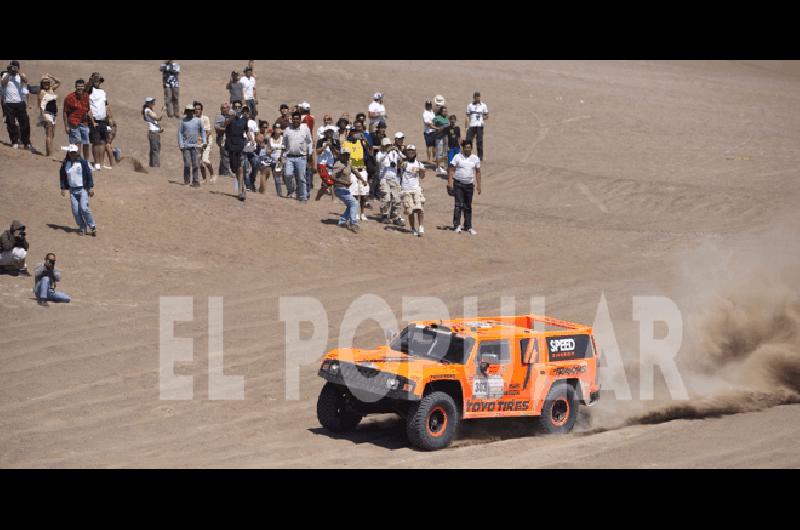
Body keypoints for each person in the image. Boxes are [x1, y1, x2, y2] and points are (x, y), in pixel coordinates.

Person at [59, 144, 97, 236]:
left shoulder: (83, 163)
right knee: (75, 210)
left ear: (77, 153)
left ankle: (92, 226)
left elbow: (88, 175)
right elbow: (62, 176)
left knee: (84, 208)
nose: (72, 155)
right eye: (70, 153)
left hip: (83, 189)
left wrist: (91, 187)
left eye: (74, 153)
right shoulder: (66, 164)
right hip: (72, 191)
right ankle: (82, 227)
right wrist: (63, 187)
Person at [447, 140, 482, 235]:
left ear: (471, 148)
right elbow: (451, 169)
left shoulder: (475, 158)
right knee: (458, 205)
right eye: (466, 147)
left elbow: (478, 172)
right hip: (458, 184)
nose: (467, 148)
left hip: (469, 185)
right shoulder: (457, 157)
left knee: (468, 206)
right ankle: (457, 226)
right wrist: (449, 182)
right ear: (463, 148)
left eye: (469, 147)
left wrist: (479, 186)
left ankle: (468, 226)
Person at [282, 111, 313, 201]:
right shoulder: (287, 129)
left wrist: (310, 153)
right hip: (289, 156)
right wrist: (282, 155)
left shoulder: (305, 129)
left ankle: (303, 197)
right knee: (287, 174)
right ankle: (291, 191)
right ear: (292, 119)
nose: (296, 120)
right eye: (294, 119)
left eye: (297, 119)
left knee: (301, 178)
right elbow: (284, 143)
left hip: (301, 157)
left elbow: (309, 142)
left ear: (300, 119)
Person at [1, 60, 32, 150]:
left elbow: (26, 81)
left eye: (15, 66)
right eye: (12, 66)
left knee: (24, 123)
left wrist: (18, 73)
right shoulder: (5, 75)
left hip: (20, 102)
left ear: (18, 67)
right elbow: (3, 83)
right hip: (9, 103)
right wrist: (9, 73)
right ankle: (14, 141)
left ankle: (26, 142)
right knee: (11, 123)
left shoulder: (21, 75)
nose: (13, 68)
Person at [224, 100, 249, 201]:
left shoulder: (244, 120)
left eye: (239, 107)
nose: (237, 108)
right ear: (233, 107)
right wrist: (231, 118)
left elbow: (247, 131)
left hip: (240, 145)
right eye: (236, 107)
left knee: (240, 167)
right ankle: (241, 187)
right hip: (231, 145)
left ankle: (241, 190)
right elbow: (224, 124)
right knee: (234, 169)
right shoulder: (229, 117)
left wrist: (251, 139)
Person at [342, 128, 369, 220]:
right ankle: (355, 212)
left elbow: (369, 152)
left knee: (363, 193)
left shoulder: (361, 142)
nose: (355, 135)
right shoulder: (346, 143)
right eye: (353, 134)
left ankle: (362, 213)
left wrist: (364, 141)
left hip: (362, 168)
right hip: (353, 170)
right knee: (354, 193)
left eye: (356, 134)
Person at [399, 144, 426, 237]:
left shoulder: (419, 164)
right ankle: (412, 228)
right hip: (406, 189)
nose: (410, 152)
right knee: (410, 210)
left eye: (412, 151)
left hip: (416, 188)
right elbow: (399, 166)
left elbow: (422, 177)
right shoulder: (404, 163)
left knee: (419, 208)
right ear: (406, 153)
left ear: (415, 153)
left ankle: (421, 227)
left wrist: (422, 171)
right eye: (409, 151)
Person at [87, 73, 113, 170]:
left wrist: (110, 117)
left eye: (99, 81)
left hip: (103, 119)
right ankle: (96, 163)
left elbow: (106, 104)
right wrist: (90, 80)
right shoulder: (89, 90)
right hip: (94, 119)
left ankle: (101, 163)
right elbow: (86, 87)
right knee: (95, 141)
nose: (97, 82)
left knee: (102, 141)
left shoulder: (102, 92)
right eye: (96, 80)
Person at [377, 138, 404, 226]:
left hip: (394, 178)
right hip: (384, 179)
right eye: (386, 145)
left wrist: (398, 153)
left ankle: (395, 216)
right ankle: (384, 216)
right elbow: (379, 161)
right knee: (386, 198)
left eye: (389, 145)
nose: (388, 147)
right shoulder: (380, 154)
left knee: (397, 199)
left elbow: (401, 161)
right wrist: (387, 152)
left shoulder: (395, 153)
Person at [63, 79, 92, 160]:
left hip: (84, 123)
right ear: (75, 87)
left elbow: (90, 109)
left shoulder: (87, 97)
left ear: (84, 87)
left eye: (81, 86)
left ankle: (86, 162)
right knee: (76, 143)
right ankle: (75, 160)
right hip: (73, 123)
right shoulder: (69, 97)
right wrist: (66, 126)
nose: (80, 88)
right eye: (78, 86)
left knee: (86, 143)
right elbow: (65, 112)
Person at [331, 150, 359, 233]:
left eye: (348, 155)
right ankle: (353, 223)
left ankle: (342, 222)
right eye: (346, 155)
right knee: (354, 203)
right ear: (341, 155)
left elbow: (355, 171)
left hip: (345, 189)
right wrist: (344, 183)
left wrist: (361, 179)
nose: (348, 156)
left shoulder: (348, 163)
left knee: (350, 205)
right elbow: (332, 177)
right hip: (339, 189)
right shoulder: (338, 164)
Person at [179, 104, 207, 187]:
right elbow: (180, 133)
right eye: (188, 111)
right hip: (186, 146)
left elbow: (203, 131)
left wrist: (204, 142)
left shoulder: (198, 120)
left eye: (191, 111)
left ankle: (195, 181)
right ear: (186, 112)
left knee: (195, 164)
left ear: (193, 111)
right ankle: (187, 181)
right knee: (187, 164)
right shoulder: (183, 121)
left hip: (195, 146)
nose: (190, 113)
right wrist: (181, 144)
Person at [37, 74, 61, 158]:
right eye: (44, 83)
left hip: (53, 115)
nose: (46, 84)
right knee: (49, 134)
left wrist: (50, 76)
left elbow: (58, 82)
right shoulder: (41, 92)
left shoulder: (51, 89)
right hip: (46, 114)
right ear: (42, 84)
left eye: (47, 82)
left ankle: (49, 153)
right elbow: (40, 105)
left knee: (52, 135)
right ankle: (50, 155)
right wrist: (42, 115)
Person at [314, 127, 340, 201]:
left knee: (326, 184)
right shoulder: (320, 141)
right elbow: (318, 152)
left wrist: (332, 147)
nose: (329, 134)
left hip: (331, 164)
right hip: (321, 163)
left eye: (331, 132)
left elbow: (337, 154)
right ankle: (333, 198)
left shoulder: (336, 142)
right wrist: (325, 146)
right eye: (328, 133)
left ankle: (317, 198)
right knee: (329, 181)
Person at [193, 101, 215, 183]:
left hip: (207, 142)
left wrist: (204, 141)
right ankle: (204, 179)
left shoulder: (205, 118)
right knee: (200, 162)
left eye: (198, 109)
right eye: (195, 109)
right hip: (197, 142)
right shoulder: (193, 119)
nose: (197, 110)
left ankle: (212, 175)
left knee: (205, 160)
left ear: (201, 110)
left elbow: (208, 131)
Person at [465, 91, 489, 160]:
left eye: (479, 96)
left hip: (479, 126)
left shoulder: (484, 105)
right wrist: (466, 127)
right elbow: (467, 117)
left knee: (479, 141)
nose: (478, 98)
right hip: (472, 125)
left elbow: (486, 115)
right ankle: (468, 155)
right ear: (474, 97)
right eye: (476, 96)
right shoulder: (470, 105)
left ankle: (480, 157)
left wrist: (483, 117)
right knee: (468, 140)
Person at [143, 97, 164, 167]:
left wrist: (159, 129)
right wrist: (162, 111)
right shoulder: (147, 110)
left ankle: (153, 165)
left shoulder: (149, 110)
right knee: (155, 150)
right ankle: (155, 165)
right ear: (148, 103)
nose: (154, 103)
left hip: (155, 132)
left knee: (155, 149)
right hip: (153, 133)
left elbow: (154, 121)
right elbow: (157, 118)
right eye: (152, 102)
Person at [214, 102, 232, 176]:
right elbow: (216, 127)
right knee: (225, 154)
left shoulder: (231, 117)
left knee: (225, 155)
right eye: (223, 108)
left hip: (230, 138)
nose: (225, 109)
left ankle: (221, 172)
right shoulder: (219, 117)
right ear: (221, 109)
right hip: (222, 138)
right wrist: (225, 129)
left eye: (227, 107)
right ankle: (226, 172)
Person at [433, 105, 449, 174]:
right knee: (439, 153)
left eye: (446, 111)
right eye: (444, 111)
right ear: (441, 111)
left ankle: (445, 167)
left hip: (445, 137)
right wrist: (438, 128)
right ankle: (438, 167)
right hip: (439, 137)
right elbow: (432, 125)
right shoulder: (437, 117)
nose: (445, 112)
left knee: (445, 152)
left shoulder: (447, 118)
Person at [422, 100, 437, 164]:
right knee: (428, 146)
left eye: (429, 105)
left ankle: (434, 158)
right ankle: (428, 159)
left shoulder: (432, 112)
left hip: (434, 131)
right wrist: (436, 128)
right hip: (428, 132)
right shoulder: (425, 113)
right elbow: (427, 124)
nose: (428, 106)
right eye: (427, 105)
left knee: (434, 145)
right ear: (425, 105)